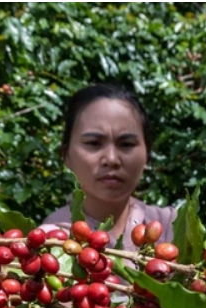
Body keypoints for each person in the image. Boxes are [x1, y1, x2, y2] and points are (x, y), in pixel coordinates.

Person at [42, 84, 176, 250]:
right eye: (94, 143)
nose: (112, 159)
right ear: (66, 155)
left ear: (147, 154)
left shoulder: (174, 228)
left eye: (126, 144)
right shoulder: (50, 242)